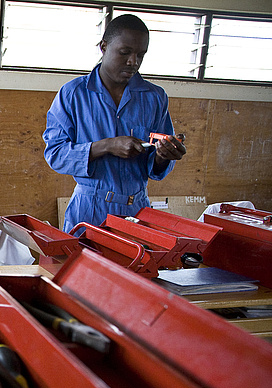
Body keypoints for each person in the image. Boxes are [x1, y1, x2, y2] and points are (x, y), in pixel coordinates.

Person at [43, 14, 186, 233]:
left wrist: (162, 156)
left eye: (141, 55)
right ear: (104, 46)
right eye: (125, 52)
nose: (133, 62)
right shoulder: (73, 94)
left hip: (137, 211)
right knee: (84, 266)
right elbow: (55, 154)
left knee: (133, 267)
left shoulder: (155, 97)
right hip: (89, 210)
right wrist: (107, 145)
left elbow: (155, 165)